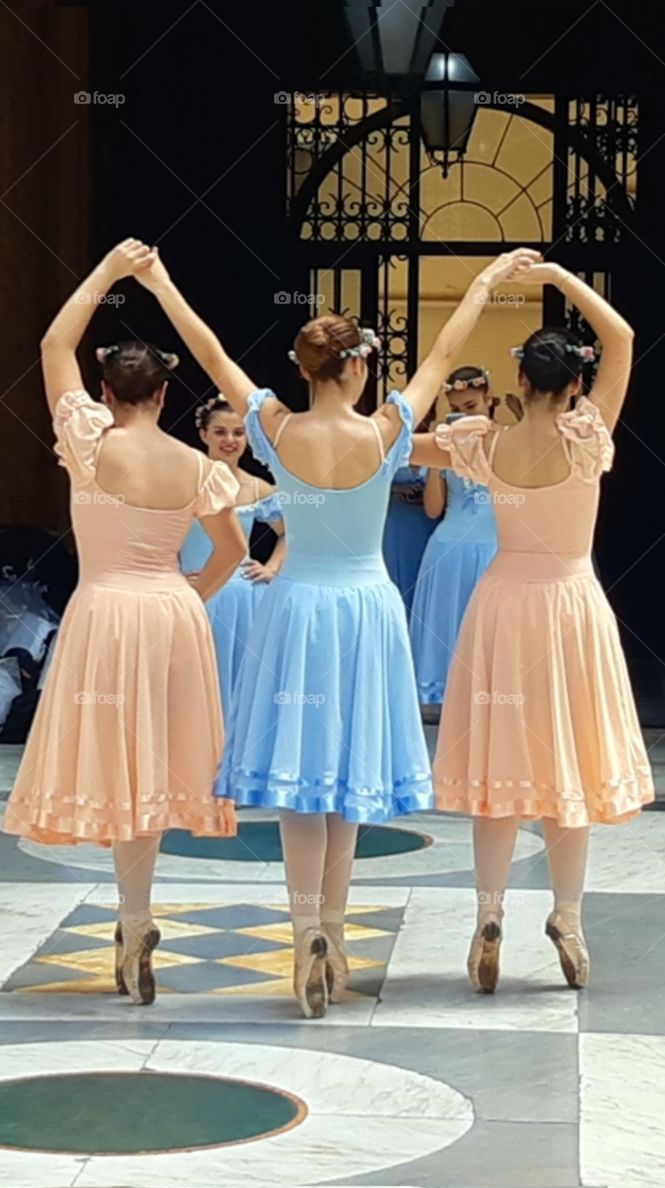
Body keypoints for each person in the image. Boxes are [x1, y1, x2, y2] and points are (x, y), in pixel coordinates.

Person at [135, 239, 538, 1018]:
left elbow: (210, 352)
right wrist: (486, 278)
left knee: (300, 782)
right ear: (354, 367)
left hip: (296, 608)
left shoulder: (275, 430)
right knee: (349, 777)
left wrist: (157, 280)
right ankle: (333, 929)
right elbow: (448, 348)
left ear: (305, 368)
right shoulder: (387, 431)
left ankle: (301, 930)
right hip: (365, 606)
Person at [2, 240, 247, 1006]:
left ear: (105, 391)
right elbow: (232, 550)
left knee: (117, 758)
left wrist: (109, 272)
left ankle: (131, 917)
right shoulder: (197, 464)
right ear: (166, 399)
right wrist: (189, 597)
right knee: (156, 761)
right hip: (169, 609)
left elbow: (51, 343)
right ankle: (139, 917)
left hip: (105, 609)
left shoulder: (85, 440)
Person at [408, 263, 654, 995]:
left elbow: (397, 449)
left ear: (518, 380)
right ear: (574, 384)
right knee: (566, 766)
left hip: (501, 606)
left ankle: (488, 915)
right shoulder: (586, 436)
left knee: (498, 771)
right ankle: (568, 918)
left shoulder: (482, 442)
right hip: (567, 605)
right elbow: (621, 335)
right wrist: (556, 275)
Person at [179, 395, 285, 721]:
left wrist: (271, 568)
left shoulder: (258, 488)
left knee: (242, 680)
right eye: (221, 432)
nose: (230, 440)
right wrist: (169, 573)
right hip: (194, 593)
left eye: (238, 433)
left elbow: (290, 533)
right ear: (204, 435)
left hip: (243, 599)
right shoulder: (183, 482)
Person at [410, 368, 498, 706]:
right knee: (449, 630)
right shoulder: (446, 448)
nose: (465, 416)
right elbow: (433, 510)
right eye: (457, 409)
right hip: (448, 549)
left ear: (490, 401)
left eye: (472, 407)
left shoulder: (507, 443)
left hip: (494, 548)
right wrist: (437, 455)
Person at [381, 405, 438, 617]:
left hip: (427, 523)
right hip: (398, 525)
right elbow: (369, 484)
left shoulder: (437, 445)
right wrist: (397, 489)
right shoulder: (390, 447)